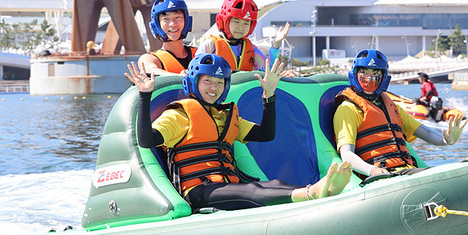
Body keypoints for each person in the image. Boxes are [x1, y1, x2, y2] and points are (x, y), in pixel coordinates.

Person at [126, 53, 351, 211]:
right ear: (194, 82)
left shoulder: (225, 116)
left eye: (219, 82)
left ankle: (319, 190)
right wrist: (145, 96)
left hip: (226, 185)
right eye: (207, 81)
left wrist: (269, 96)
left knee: (274, 184)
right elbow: (147, 140)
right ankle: (311, 193)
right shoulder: (179, 114)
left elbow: (265, 134)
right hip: (199, 191)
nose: (213, 88)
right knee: (252, 190)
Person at [334, 49, 467, 179]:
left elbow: (427, 133)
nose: (369, 79)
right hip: (379, 176)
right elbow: (346, 154)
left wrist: (447, 140)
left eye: (375, 74)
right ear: (355, 74)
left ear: (383, 78)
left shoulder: (393, 108)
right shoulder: (347, 109)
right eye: (364, 73)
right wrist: (372, 170)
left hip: (405, 171)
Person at [197, 0, 290, 73]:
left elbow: (269, 69)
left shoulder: (251, 48)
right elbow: (196, 68)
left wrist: (276, 44)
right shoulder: (211, 44)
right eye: (236, 22)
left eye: (246, 23)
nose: (241, 27)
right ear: (224, 21)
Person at [137, 0, 196, 76]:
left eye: (177, 17)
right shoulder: (151, 58)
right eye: (165, 19)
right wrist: (179, 77)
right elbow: (151, 69)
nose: (172, 24)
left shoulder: (198, 54)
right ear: (157, 25)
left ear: (186, 21)